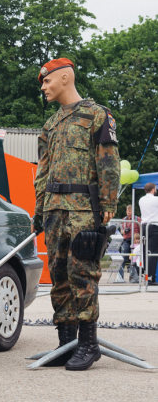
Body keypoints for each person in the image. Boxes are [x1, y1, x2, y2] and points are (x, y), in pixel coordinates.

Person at [33, 58, 120, 370]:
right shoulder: (50, 125)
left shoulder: (97, 115)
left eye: (47, 81)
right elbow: (41, 172)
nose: (43, 87)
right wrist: (39, 210)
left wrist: (108, 204)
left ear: (65, 77)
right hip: (55, 209)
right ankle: (65, 344)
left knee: (82, 274)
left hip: (84, 209)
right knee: (58, 275)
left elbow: (108, 161)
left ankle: (88, 344)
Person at [138, 182, 158, 283]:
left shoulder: (141, 199)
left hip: (144, 226)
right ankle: (150, 278)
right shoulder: (155, 200)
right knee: (153, 253)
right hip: (153, 226)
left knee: (146, 252)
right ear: (153, 189)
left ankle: (145, 276)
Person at [118, 204, 141, 280]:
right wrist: (124, 231)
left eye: (130, 211)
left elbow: (142, 229)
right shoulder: (124, 219)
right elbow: (121, 231)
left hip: (136, 242)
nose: (128, 212)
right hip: (126, 240)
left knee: (135, 259)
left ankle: (135, 277)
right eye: (127, 211)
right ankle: (120, 277)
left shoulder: (137, 219)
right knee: (123, 258)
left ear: (133, 211)